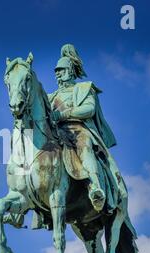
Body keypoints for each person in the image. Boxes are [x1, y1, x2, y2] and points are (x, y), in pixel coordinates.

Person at [48, 44, 120, 212]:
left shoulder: (84, 88)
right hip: (56, 133)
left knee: (85, 147)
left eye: (61, 69)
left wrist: (65, 114)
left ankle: (95, 187)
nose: (57, 73)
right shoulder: (51, 96)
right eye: (56, 71)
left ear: (70, 70)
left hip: (78, 129)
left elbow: (89, 109)